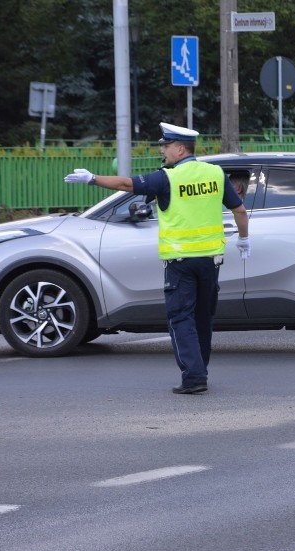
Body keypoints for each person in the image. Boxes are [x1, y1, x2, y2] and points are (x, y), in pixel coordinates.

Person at [63, 122, 250, 395]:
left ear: (180, 148)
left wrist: (92, 178)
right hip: (211, 260)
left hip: (180, 261)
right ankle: (200, 369)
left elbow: (127, 184)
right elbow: (240, 211)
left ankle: (194, 377)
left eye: (166, 146)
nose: (163, 151)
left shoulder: (168, 178)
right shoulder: (215, 173)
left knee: (181, 318)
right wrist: (244, 240)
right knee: (202, 318)